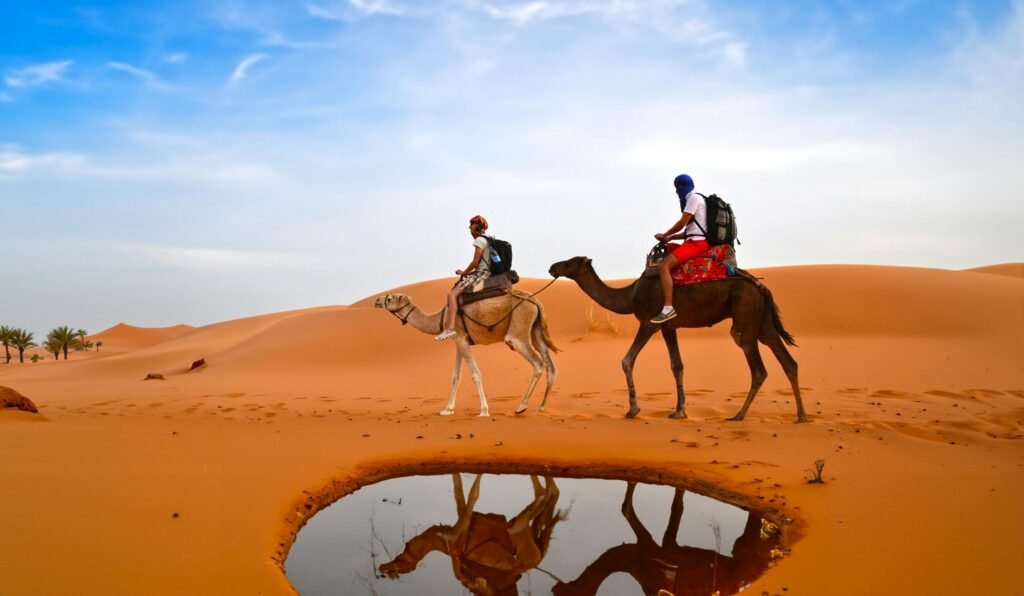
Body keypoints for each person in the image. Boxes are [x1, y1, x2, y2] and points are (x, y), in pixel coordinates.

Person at [650, 174, 709, 324]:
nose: (678, 189)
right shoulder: (693, 200)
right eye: (676, 186)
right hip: (694, 240)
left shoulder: (693, 199)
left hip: (697, 243)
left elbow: (682, 223)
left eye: (681, 185)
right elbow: (690, 231)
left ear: (689, 185)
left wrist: (665, 233)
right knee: (669, 250)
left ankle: (668, 308)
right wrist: (670, 238)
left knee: (664, 266)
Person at [435, 215, 492, 341]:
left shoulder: (479, 241)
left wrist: (464, 273)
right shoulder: (491, 238)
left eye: (471, 225)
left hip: (482, 274)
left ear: (477, 226)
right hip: (490, 273)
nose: (470, 228)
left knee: (452, 295)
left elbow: (475, 262)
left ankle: (450, 329)